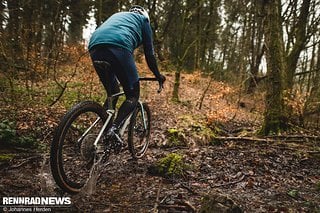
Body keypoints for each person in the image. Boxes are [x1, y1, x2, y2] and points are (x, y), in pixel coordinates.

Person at [88, 5, 165, 146]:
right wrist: (158, 75)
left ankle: (105, 133)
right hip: (118, 46)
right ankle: (114, 130)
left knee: (113, 93)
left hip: (95, 46)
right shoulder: (143, 21)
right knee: (133, 95)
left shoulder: (119, 16)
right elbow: (149, 54)